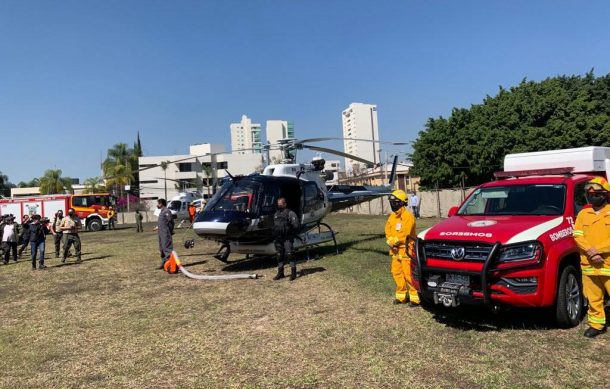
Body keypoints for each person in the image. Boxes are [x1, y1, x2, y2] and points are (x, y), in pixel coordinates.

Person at [572, 177, 610, 338]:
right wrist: (590, 252)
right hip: (589, 264)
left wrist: (598, 251)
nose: (593, 196)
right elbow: (577, 235)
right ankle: (596, 324)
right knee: (593, 297)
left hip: (606, 263)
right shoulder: (583, 213)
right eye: (590, 193)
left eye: (596, 193)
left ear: (605, 195)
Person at [385, 189, 419, 306]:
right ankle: (401, 296)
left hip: (406, 250)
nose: (392, 204)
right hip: (395, 250)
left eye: (394, 201)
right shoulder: (392, 217)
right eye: (391, 201)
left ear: (401, 202)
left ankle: (415, 298)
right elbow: (388, 230)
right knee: (397, 273)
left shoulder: (408, 216)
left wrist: (394, 241)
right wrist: (389, 240)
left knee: (408, 274)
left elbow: (405, 234)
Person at [272, 197, 300, 281]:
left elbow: (296, 225)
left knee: (290, 254)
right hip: (278, 238)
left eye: (281, 204)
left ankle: (293, 272)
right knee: (279, 255)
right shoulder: (276, 214)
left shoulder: (290, 213)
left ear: (285, 204)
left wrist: (290, 232)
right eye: (278, 204)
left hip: (287, 238)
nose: (279, 206)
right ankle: (280, 273)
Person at [155, 199, 174, 269]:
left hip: (165, 233)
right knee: (162, 248)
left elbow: (170, 222)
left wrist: (170, 231)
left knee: (167, 247)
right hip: (160, 233)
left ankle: (170, 264)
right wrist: (158, 227)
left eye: (158, 203)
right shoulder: (161, 212)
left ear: (161, 204)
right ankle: (164, 262)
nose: (157, 205)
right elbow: (163, 222)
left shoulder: (166, 211)